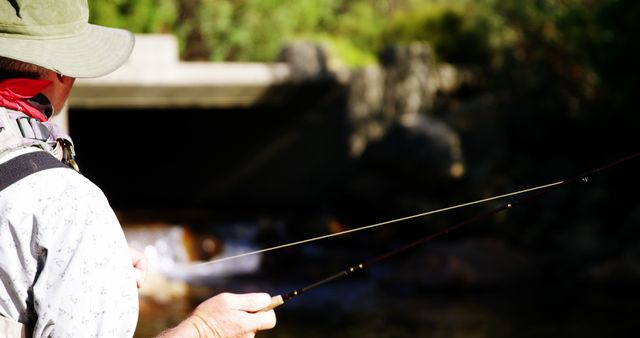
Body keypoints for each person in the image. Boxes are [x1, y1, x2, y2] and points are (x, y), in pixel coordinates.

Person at [0, 0, 276, 337]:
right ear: (62, 71)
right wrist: (204, 329)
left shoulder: (66, 213)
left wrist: (87, 259)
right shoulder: (67, 204)